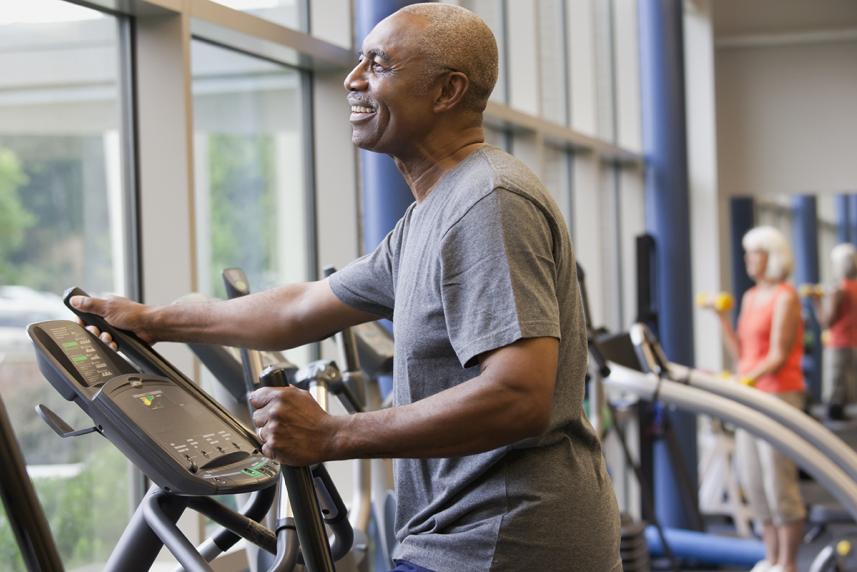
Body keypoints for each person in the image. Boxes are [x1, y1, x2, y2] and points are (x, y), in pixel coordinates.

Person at [69, 4, 621, 571]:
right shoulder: (436, 210)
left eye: (378, 64)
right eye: (358, 59)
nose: (353, 78)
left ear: (447, 90)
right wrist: (154, 321)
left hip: (505, 544)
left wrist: (333, 435)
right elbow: (303, 307)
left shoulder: (487, 204)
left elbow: (519, 396)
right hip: (473, 539)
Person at [708, 226, 805, 572]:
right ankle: (771, 558)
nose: (748, 259)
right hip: (751, 396)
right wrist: (720, 320)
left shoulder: (786, 297)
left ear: (772, 257)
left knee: (778, 481)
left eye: (755, 253)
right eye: (747, 253)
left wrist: (746, 379)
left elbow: (777, 354)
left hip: (779, 395)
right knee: (753, 480)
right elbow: (743, 355)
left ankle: (789, 563)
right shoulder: (750, 298)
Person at [807, 243, 857, 420]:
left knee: (835, 390)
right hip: (853, 344)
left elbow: (826, 321)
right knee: (850, 387)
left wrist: (816, 301)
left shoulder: (839, 290)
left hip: (838, 343)